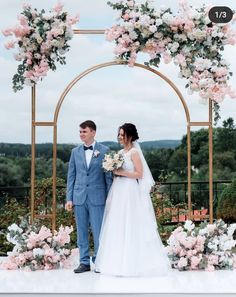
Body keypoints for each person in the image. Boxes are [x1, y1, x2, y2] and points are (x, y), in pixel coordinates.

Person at [95, 123, 171, 276]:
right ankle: (116, 261)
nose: (119, 137)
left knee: (130, 221)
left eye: (122, 134)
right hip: (118, 190)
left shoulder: (134, 152)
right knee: (118, 223)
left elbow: (139, 174)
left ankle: (133, 262)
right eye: (119, 134)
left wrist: (121, 172)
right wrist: (114, 171)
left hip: (130, 190)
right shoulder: (120, 152)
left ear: (129, 136)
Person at [65, 120, 112, 273]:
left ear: (93, 132)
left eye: (84, 131)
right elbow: (71, 177)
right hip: (79, 198)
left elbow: (108, 178)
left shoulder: (105, 151)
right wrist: (69, 198)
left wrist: (110, 197)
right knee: (81, 231)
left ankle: (99, 261)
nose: (81, 134)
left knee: (99, 232)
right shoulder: (75, 152)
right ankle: (84, 262)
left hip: (98, 198)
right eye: (80, 132)